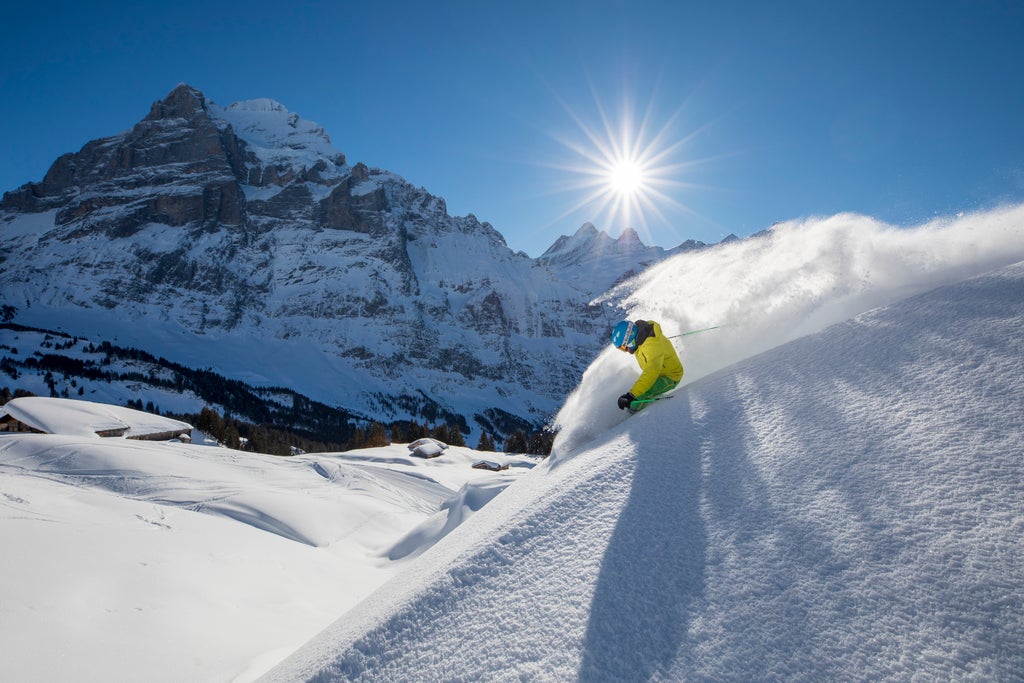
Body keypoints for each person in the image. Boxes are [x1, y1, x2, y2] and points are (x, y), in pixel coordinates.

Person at [610, 319, 684, 412]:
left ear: (629, 339)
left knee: (640, 396)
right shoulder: (641, 336)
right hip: (659, 370)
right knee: (640, 388)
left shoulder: (651, 348)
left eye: (623, 347)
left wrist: (632, 395)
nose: (626, 351)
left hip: (670, 376)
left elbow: (651, 372)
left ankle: (634, 418)